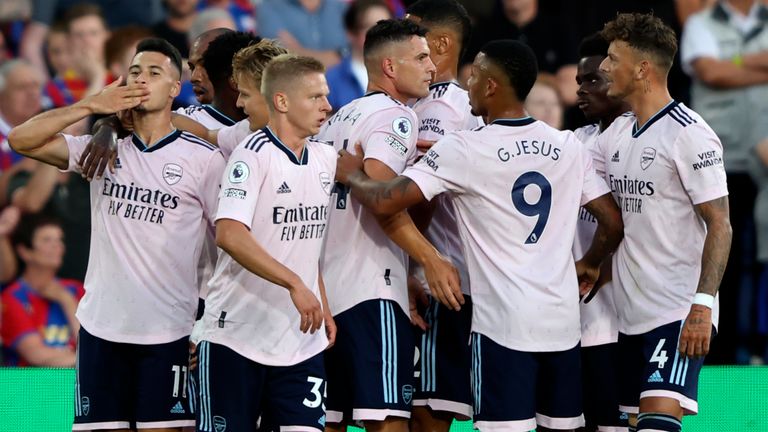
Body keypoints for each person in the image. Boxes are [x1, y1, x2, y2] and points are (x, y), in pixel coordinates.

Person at [334, 39, 624, 432]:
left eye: (474, 78)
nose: (466, 85)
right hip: (562, 325)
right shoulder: (568, 144)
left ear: (491, 87)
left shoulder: (465, 148)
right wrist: (590, 263)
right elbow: (611, 221)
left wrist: (351, 173)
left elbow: (386, 202)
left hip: (502, 328)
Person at [8, 37, 226, 431]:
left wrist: (205, 324)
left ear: (175, 89)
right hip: (100, 328)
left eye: (154, 73)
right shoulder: (101, 149)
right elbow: (20, 140)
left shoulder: (203, 160)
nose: (141, 79)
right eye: (135, 72)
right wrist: (91, 106)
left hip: (169, 331)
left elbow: (225, 245)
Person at [316, 19, 457, 432]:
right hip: (371, 290)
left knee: (332, 420)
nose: (431, 66)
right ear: (390, 68)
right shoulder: (398, 117)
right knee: (388, 420)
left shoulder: (336, 118)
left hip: (329, 290)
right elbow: (381, 198)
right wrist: (428, 259)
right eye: (421, 57)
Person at [597, 13, 732, 432]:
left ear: (642, 69)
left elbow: (721, 224)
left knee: (657, 424)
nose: (603, 67)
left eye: (612, 57)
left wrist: (701, 306)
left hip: (676, 309)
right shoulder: (617, 132)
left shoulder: (690, 134)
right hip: (626, 312)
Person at [194, 54, 335, 432]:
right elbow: (229, 234)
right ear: (283, 102)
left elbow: (307, 240)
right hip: (237, 337)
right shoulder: (251, 156)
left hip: (300, 339)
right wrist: (295, 284)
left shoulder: (326, 157)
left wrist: (320, 297)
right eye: (316, 97)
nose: (327, 106)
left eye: (326, 96)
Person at [401, 1, 480, 431]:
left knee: (426, 412)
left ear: (442, 43)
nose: (402, 40)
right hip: (449, 276)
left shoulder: (440, 108)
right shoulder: (436, 103)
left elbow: (424, 197)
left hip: (438, 279)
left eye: (411, 33)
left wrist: (413, 261)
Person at [680, 0, 768, 364]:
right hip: (719, 159)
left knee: (761, 260)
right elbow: (709, 72)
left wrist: (730, 63)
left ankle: (756, 348)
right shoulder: (701, 22)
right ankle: (723, 351)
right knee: (721, 260)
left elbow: (720, 69)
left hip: (764, 158)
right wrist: (755, 64)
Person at [572, 32, 631, 432]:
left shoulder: (638, 137)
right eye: (579, 81)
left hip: (622, 317)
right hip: (578, 316)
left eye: (593, 79)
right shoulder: (578, 139)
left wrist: (595, 262)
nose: (581, 90)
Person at [1, 217, 83, 367]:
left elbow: (91, 343)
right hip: (31, 386)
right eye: (47, 240)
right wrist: (87, 362)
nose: (57, 245)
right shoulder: (12, 298)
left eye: (59, 239)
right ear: (24, 251)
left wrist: (67, 301)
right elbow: (36, 355)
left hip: (78, 383)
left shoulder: (76, 289)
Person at [325, 0, 392, 111]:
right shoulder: (331, 80)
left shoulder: (405, 73)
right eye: (371, 27)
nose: (381, 33)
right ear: (350, 34)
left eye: (387, 26)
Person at [257, 0, 349, 67]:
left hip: (342, 88)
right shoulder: (270, 7)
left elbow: (354, 54)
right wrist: (336, 56)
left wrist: (298, 51)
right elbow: (278, 57)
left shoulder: (341, 8)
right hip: (293, 88)